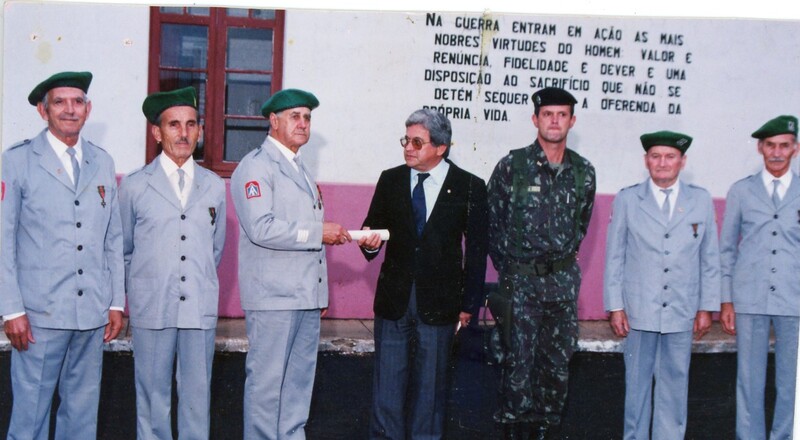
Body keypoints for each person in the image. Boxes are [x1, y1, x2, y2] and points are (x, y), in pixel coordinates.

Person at [0, 71, 125, 439]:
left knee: (82, 418)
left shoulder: (102, 162)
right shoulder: (18, 161)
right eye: (59, 102)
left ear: (88, 109)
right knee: (30, 419)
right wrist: (11, 310)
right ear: (43, 111)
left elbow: (112, 238)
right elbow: (3, 239)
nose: (70, 109)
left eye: (78, 101)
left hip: (91, 314)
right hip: (39, 316)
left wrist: (115, 302)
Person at [358, 108, 488, 439]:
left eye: (417, 142)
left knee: (430, 394)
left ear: (441, 147)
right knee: (386, 390)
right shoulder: (390, 180)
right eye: (406, 140)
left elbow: (476, 252)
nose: (408, 148)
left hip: (441, 304)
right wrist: (369, 243)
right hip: (393, 301)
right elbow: (371, 230)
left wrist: (469, 305)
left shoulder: (469, 187)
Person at [230, 88, 350, 439]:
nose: (303, 123)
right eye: (294, 116)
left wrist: (318, 292)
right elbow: (261, 228)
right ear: (273, 120)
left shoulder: (299, 168)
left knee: (298, 388)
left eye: (307, 118)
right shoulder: (256, 166)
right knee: (266, 389)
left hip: (303, 297)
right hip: (273, 299)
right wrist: (318, 233)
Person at [487, 87, 595, 439]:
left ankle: (548, 430)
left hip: (562, 288)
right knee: (516, 366)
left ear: (572, 121)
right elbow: (492, 224)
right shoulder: (512, 167)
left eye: (562, 115)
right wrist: (514, 270)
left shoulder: (583, 172)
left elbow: (580, 226)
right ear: (535, 119)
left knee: (556, 368)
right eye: (548, 114)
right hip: (520, 286)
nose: (554, 121)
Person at [119, 86, 226, 439]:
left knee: (197, 397)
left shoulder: (214, 186)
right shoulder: (135, 186)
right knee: (153, 399)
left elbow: (215, 248)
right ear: (156, 132)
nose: (183, 133)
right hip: (153, 305)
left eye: (191, 124)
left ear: (200, 131)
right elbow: (124, 249)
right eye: (174, 124)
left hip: (198, 304)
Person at [603, 130, 721, 439]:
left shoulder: (700, 200)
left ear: (683, 161)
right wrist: (615, 306)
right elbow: (614, 256)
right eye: (655, 156)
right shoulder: (628, 199)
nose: (662, 163)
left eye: (670, 156)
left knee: (674, 388)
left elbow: (710, 257)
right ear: (646, 161)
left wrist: (707, 307)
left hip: (682, 310)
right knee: (636, 390)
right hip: (638, 311)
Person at [719, 115, 800, 440]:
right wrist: (727, 300)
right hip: (750, 299)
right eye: (770, 146)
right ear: (760, 148)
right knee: (749, 380)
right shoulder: (741, 191)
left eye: (784, 145)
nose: (777, 153)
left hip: (794, 299)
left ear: (795, 149)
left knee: (791, 382)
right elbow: (727, 249)